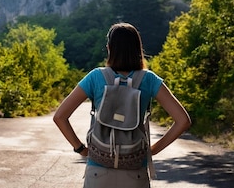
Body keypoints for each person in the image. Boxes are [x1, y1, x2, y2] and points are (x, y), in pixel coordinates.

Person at [53, 22, 191, 187]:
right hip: (135, 173)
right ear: (138, 49)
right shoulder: (149, 79)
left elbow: (60, 117)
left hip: (98, 171)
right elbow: (183, 121)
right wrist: (151, 151)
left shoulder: (95, 77)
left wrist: (81, 149)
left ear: (109, 47)